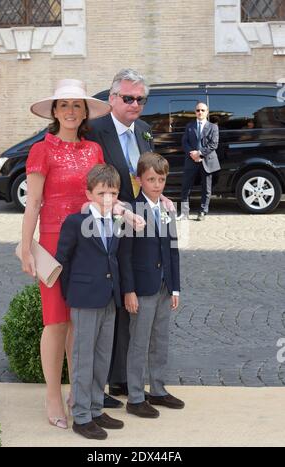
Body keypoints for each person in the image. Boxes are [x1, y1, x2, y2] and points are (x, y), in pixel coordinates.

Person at [20, 79, 112, 429]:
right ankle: (53, 395)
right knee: (56, 320)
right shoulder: (41, 150)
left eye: (77, 105)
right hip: (53, 246)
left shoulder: (94, 151)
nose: (71, 111)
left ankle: (80, 392)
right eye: (64, 105)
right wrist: (26, 246)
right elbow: (33, 205)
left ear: (85, 112)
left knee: (80, 322)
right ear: (54, 112)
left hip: (88, 244)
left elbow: (103, 196)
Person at [87, 68, 174, 408]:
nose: (135, 104)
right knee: (111, 305)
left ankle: (125, 379)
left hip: (138, 233)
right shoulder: (94, 132)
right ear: (111, 99)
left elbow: (149, 176)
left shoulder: (146, 131)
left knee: (132, 302)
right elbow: (92, 181)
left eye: (140, 99)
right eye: (128, 98)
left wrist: (160, 198)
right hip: (105, 231)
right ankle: (104, 384)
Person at [55, 164, 124, 440]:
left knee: (102, 356)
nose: (107, 198)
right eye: (102, 193)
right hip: (84, 299)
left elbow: (114, 258)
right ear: (89, 194)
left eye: (113, 193)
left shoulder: (117, 221)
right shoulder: (75, 222)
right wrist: (72, 293)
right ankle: (81, 415)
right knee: (83, 358)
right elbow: (63, 260)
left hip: (109, 296)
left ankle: (96, 407)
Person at [118, 152, 184, 418]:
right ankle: (135, 396)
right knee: (139, 342)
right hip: (142, 288)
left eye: (161, 179)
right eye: (151, 179)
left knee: (160, 339)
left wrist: (175, 287)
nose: (157, 184)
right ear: (139, 180)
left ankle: (157, 389)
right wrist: (129, 290)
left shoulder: (167, 209)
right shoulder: (131, 211)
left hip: (164, 287)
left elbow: (173, 250)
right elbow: (124, 255)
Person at [177, 102, 220, 221]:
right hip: (191, 160)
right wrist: (192, 153)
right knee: (186, 186)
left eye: (202, 110)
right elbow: (184, 142)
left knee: (206, 188)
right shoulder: (189, 126)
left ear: (207, 112)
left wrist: (199, 153)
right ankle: (184, 212)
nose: (200, 112)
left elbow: (214, 144)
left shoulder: (213, 127)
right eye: (197, 110)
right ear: (195, 112)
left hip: (207, 161)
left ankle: (202, 212)